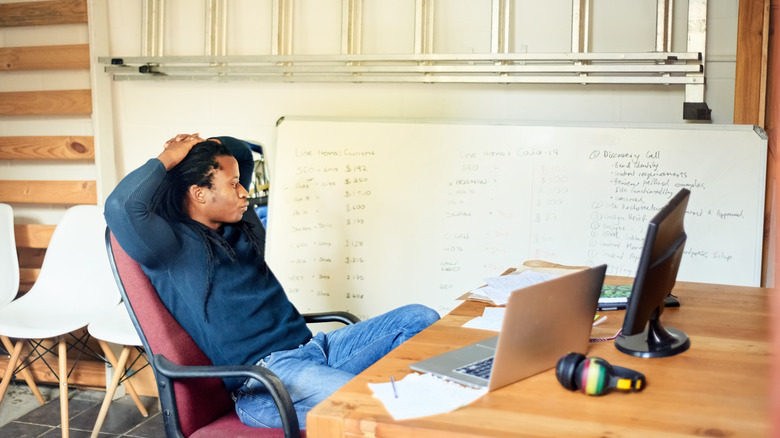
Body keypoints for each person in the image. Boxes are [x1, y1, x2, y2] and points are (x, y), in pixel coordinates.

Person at [104, 134, 440, 429]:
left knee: (419, 318)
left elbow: (243, 152)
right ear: (200, 193)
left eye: (239, 181)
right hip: (265, 384)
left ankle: (421, 408)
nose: (243, 192)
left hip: (316, 350)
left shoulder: (241, 226)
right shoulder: (169, 249)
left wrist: (204, 145)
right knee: (374, 403)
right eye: (232, 184)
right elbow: (121, 206)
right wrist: (171, 156)